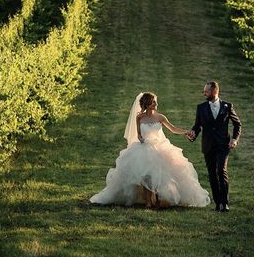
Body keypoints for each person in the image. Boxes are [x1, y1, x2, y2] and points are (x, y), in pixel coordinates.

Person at [90, 92, 210, 209]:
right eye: (153, 102)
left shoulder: (160, 117)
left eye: (155, 102)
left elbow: (172, 129)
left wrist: (185, 132)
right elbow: (138, 134)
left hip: (160, 147)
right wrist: (141, 139)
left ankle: (158, 199)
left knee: (159, 174)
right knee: (146, 175)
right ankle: (148, 201)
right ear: (147, 104)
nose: (155, 104)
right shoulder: (139, 118)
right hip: (144, 148)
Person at [187, 81, 241, 212]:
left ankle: (225, 202)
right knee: (212, 174)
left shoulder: (227, 106)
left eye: (206, 91)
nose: (204, 93)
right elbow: (197, 126)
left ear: (215, 91)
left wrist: (234, 139)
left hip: (223, 145)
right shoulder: (201, 107)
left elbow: (237, 124)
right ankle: (218, 203)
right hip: (208, 145)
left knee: (221, 171)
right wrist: (193, 133)